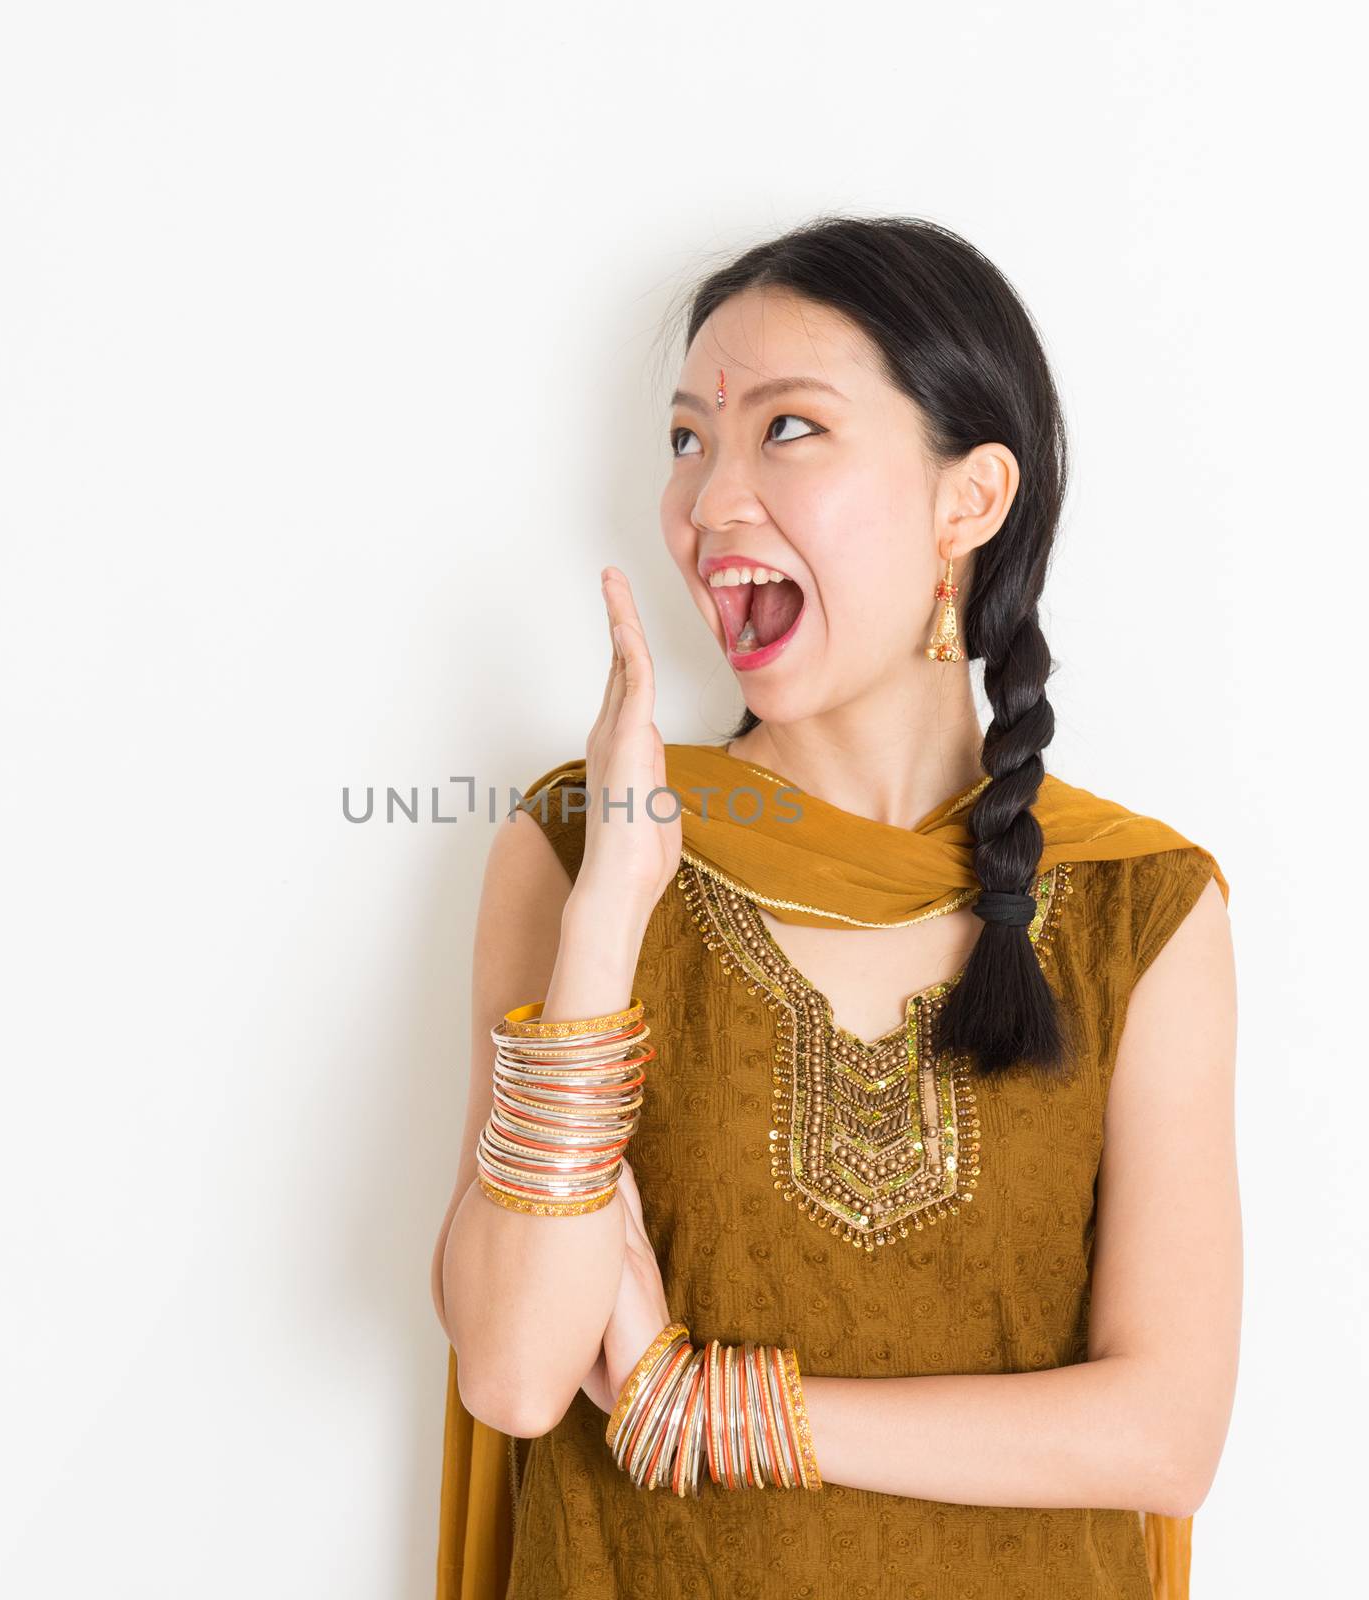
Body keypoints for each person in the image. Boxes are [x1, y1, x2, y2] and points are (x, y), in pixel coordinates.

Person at [430, 215, 1239, 1600]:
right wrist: (617, 903)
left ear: (968, 501)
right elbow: (512, 1371)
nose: (709, 501)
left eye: (787, 431)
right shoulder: (581, 848)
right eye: (689, 439)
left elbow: (1163, 1433)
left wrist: (713, 1409)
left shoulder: (1136, 905)